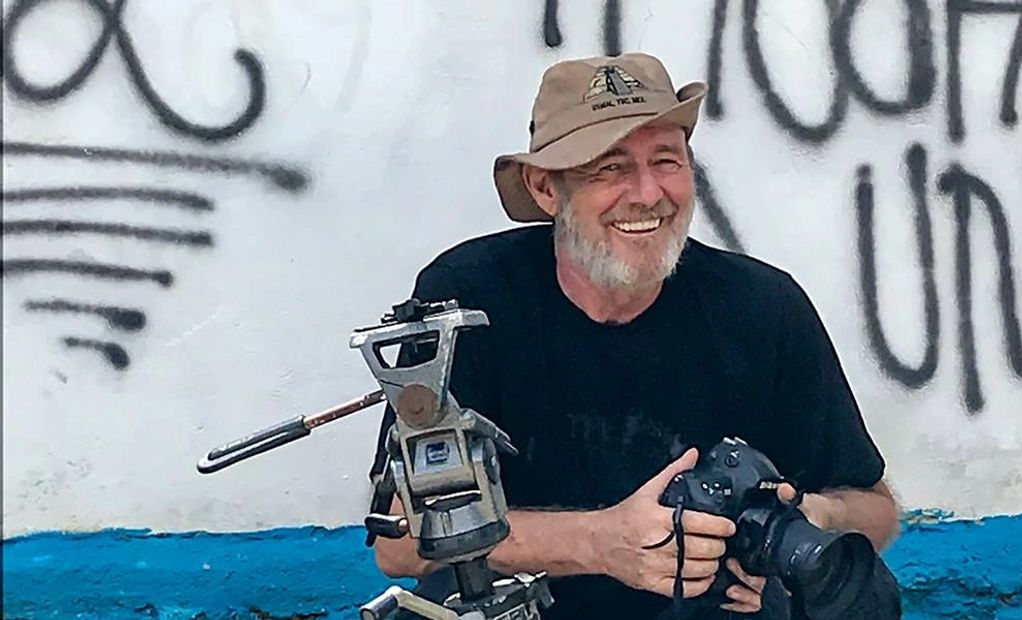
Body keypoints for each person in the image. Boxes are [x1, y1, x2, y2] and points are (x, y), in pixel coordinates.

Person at [369, 52, 899, 619]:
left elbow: (878, 509)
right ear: (545, 188)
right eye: (610, 167)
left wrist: (806, 519)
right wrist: (600, 542)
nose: (647, 194)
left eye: (666, 160)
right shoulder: (468, 301)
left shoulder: (762, 307)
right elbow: (398, 543)